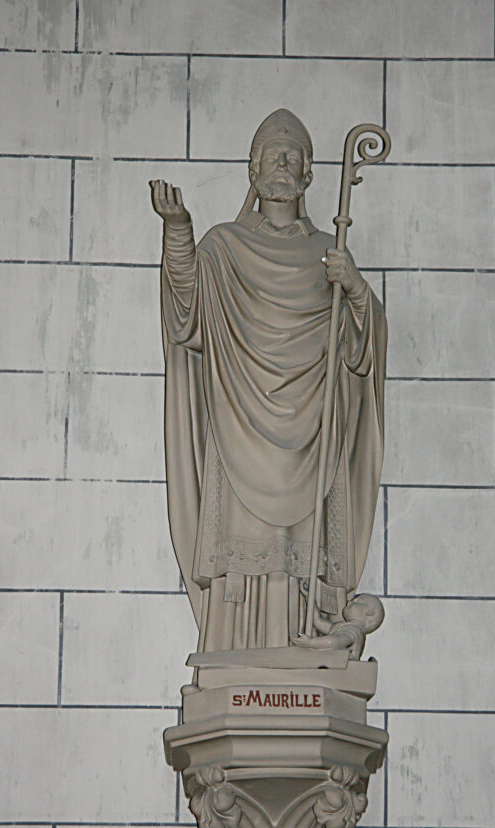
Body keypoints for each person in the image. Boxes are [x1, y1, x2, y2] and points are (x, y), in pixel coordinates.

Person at [151, 108, 386, 653]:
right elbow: (188, 313)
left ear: (308, 176)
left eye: (294, 156)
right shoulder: (224, 246)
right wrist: (178, 231)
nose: (282, 164)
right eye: (272, 155)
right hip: (240, 423)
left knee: (301, 553)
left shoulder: (329, 255)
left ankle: (306, 643)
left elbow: (361, 354)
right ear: (252, 170)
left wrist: (353, 290)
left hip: (311, 438)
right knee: (245, 551)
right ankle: (238, 653)